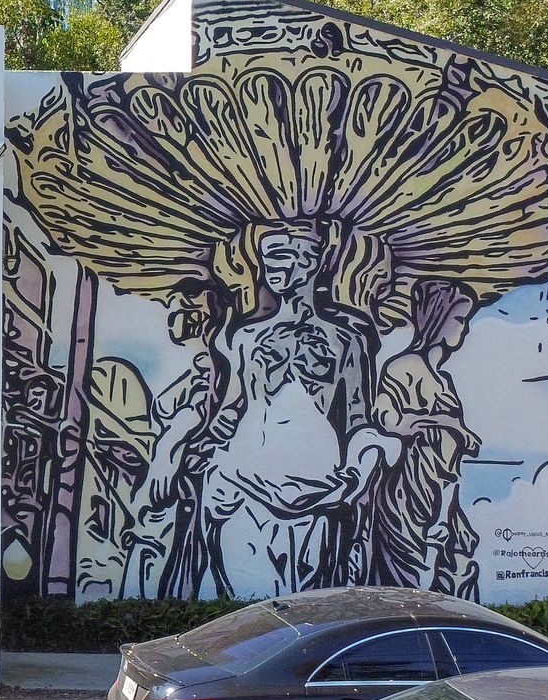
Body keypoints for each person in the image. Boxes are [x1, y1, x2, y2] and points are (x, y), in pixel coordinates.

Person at [202, 225, 391, 596]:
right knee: (248, 599)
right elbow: (231, 408)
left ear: (310, 263)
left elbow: (358, 420)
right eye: (266, 258)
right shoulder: (246, 338)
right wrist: (209, 435)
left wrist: (358, 474)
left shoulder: (346, 341)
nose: (269, 267)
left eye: (281, 256)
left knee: (309, 601)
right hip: (246, 482)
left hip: (316, 489)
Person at [364, 278, 483, 596]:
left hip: (444, 487)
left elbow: (455, 434)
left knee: (451, 565)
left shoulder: (444, 379)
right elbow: (387, 419)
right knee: (411, 574)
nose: (464, 328)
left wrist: (459, 433)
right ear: (437, 318)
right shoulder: (403, 367)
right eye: (460, 319)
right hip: (411, 488)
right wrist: (445, 422)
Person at [123, 278, 229, 600]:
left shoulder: (210, 365)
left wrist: (167, 454)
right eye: (171, 310)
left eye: (181, 310)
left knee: (162, 560)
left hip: (177, 487)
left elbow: (197, 412)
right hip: (170, 484)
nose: (173, 319)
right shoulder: (197, 363)